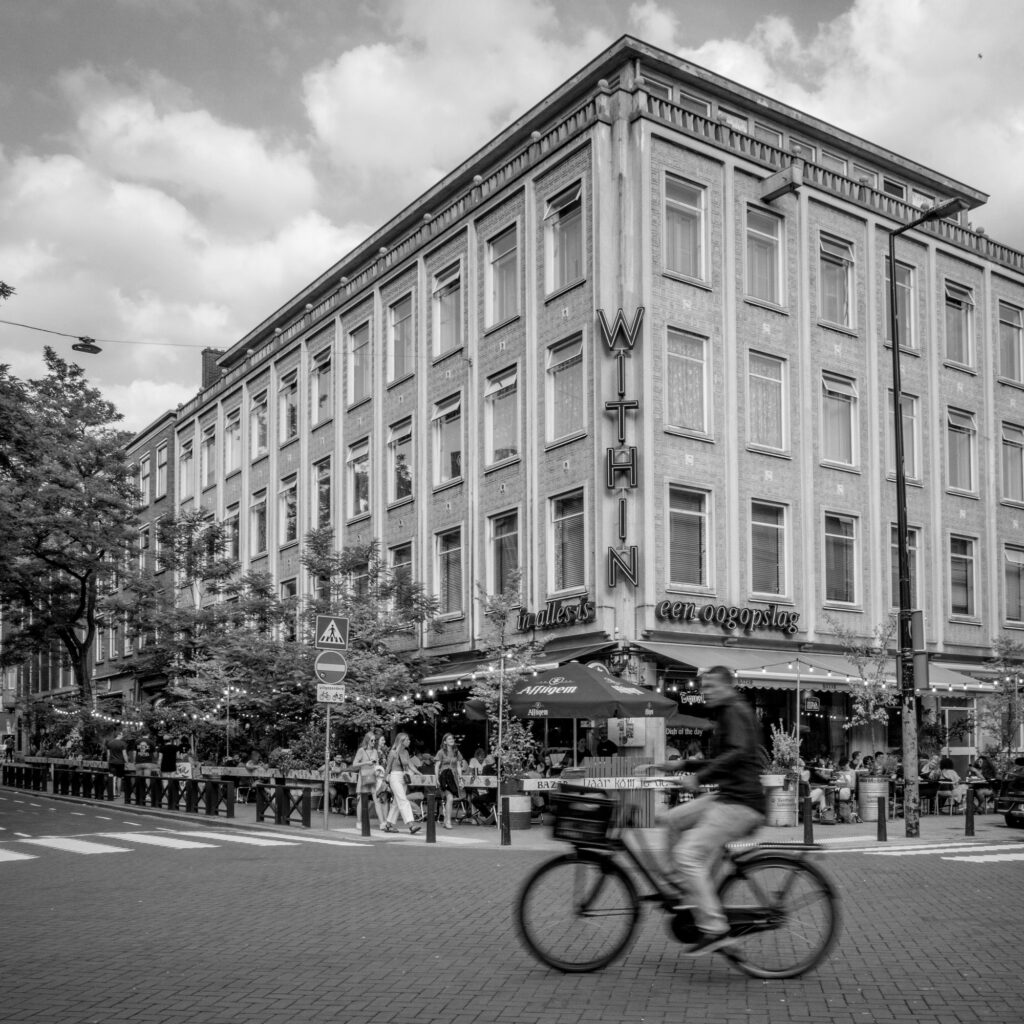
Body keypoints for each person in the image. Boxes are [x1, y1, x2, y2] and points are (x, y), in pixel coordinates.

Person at [641, 665, 764, 957]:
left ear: (727, 686)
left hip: (741, 803)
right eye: (703, 687)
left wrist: (698, 778)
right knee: (672, 820)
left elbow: (737, 754)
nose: (704, 692)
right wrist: (681, 765)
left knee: (688, 854)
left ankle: (715, 929)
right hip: (727, 797)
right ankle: (684, 890)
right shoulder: (726, 713)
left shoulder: (734, 711)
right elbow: (722, 758)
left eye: (710, 687)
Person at [383, 732, 421, 835]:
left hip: (403, 778)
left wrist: (419, 773)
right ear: (401, 741)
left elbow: (410, 765)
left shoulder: (406, 752)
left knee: (397, 802)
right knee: (403, 800)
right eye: (407, 740)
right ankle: (411, 825)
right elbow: (388, 767)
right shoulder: (393, 752)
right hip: (395, 777)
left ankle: (388, 825)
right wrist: (384, 780)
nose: (409, 741)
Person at [352, 730, 388, 829]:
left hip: (373, 776)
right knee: (361, 800)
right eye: (372, 740)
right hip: (364, 776)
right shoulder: (361, 750)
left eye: (374, 740)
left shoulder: (375, 751)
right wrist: (366, 763)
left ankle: (382, 823)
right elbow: (354, 764)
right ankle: (359, 822)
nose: (373, 742)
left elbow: (376, 764)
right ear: (367, 740)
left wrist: (378, 769)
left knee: (376, 799)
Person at [434, 733, 466, 829]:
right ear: (444, 742)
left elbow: (458, 766)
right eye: (449, 739)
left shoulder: (456, 752)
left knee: (450, 799)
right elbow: (437, 766)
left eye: (452, 738)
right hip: (444, 777)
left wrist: (460, 779)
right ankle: (448, 821)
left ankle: (445, 821)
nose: (452, 740)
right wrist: (436, 779)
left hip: (453, 777)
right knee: (450, 798)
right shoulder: (441, 752)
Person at [104, 730, 131, 797]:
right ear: (118, 735)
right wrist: (127, 762)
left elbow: (108, 754)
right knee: (119, 778)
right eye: (121, 734)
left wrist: (108, 762)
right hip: (120, 763)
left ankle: (113, 793)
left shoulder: (110, 743)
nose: (122, 736)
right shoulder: (123, 743)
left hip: (112, 762)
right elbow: (124, 754)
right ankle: (118, 793)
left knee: (112, 778)